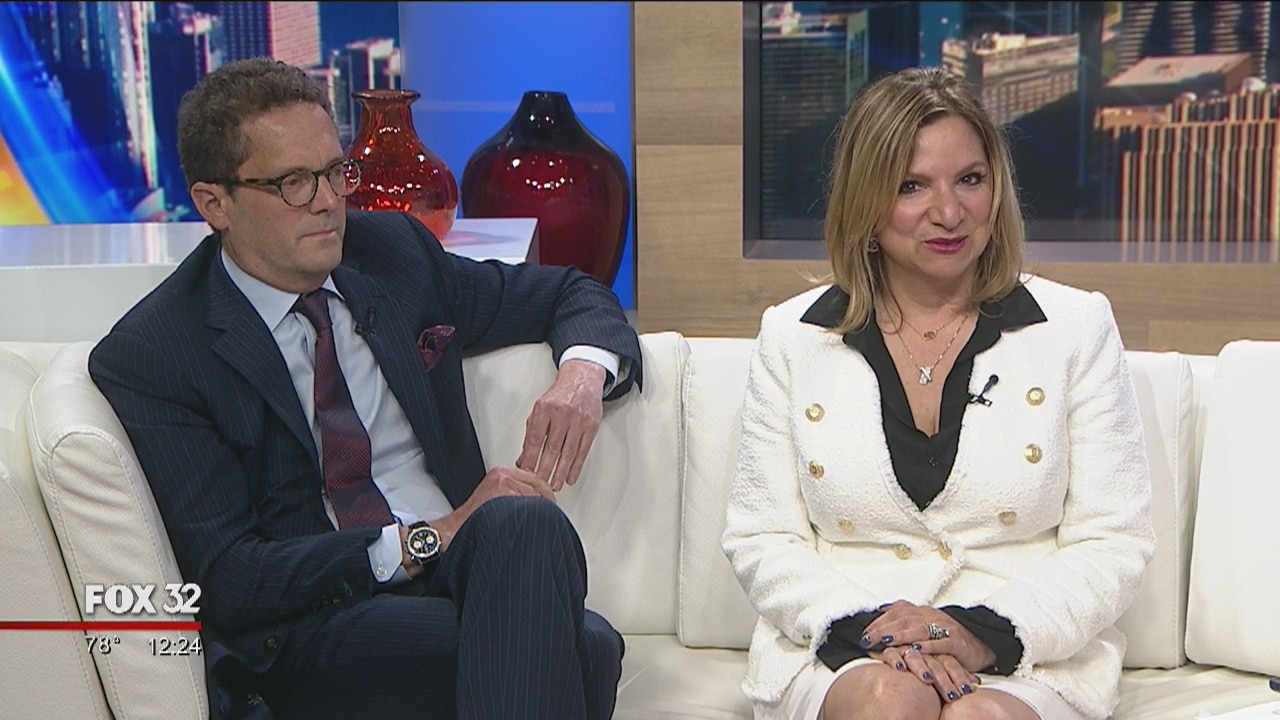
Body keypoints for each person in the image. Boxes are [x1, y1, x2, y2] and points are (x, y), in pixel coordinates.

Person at [88, 58, 642, 720]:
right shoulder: (157, 352)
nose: (328, 201)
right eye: (294, 182)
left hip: (460, 573)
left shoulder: (391, 254)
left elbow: (570, 290)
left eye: (334, 172)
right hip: (315, 622)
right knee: (585, 649)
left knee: (525, 520)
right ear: (215, 204)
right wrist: (430, 537)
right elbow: (231, 578)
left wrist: (581, 376)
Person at [721, 66, 1155, 720]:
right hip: (844, 642)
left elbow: (1114, 541)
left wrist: (980, 634)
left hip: (1021, 646)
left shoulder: (1074, 327)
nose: (949, 213)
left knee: (980, 717)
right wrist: (877, 634)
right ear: (865, 202)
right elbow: (762, 537)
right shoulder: (793, 337)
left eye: (970, 180)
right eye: (911, 186)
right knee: (890, 701)